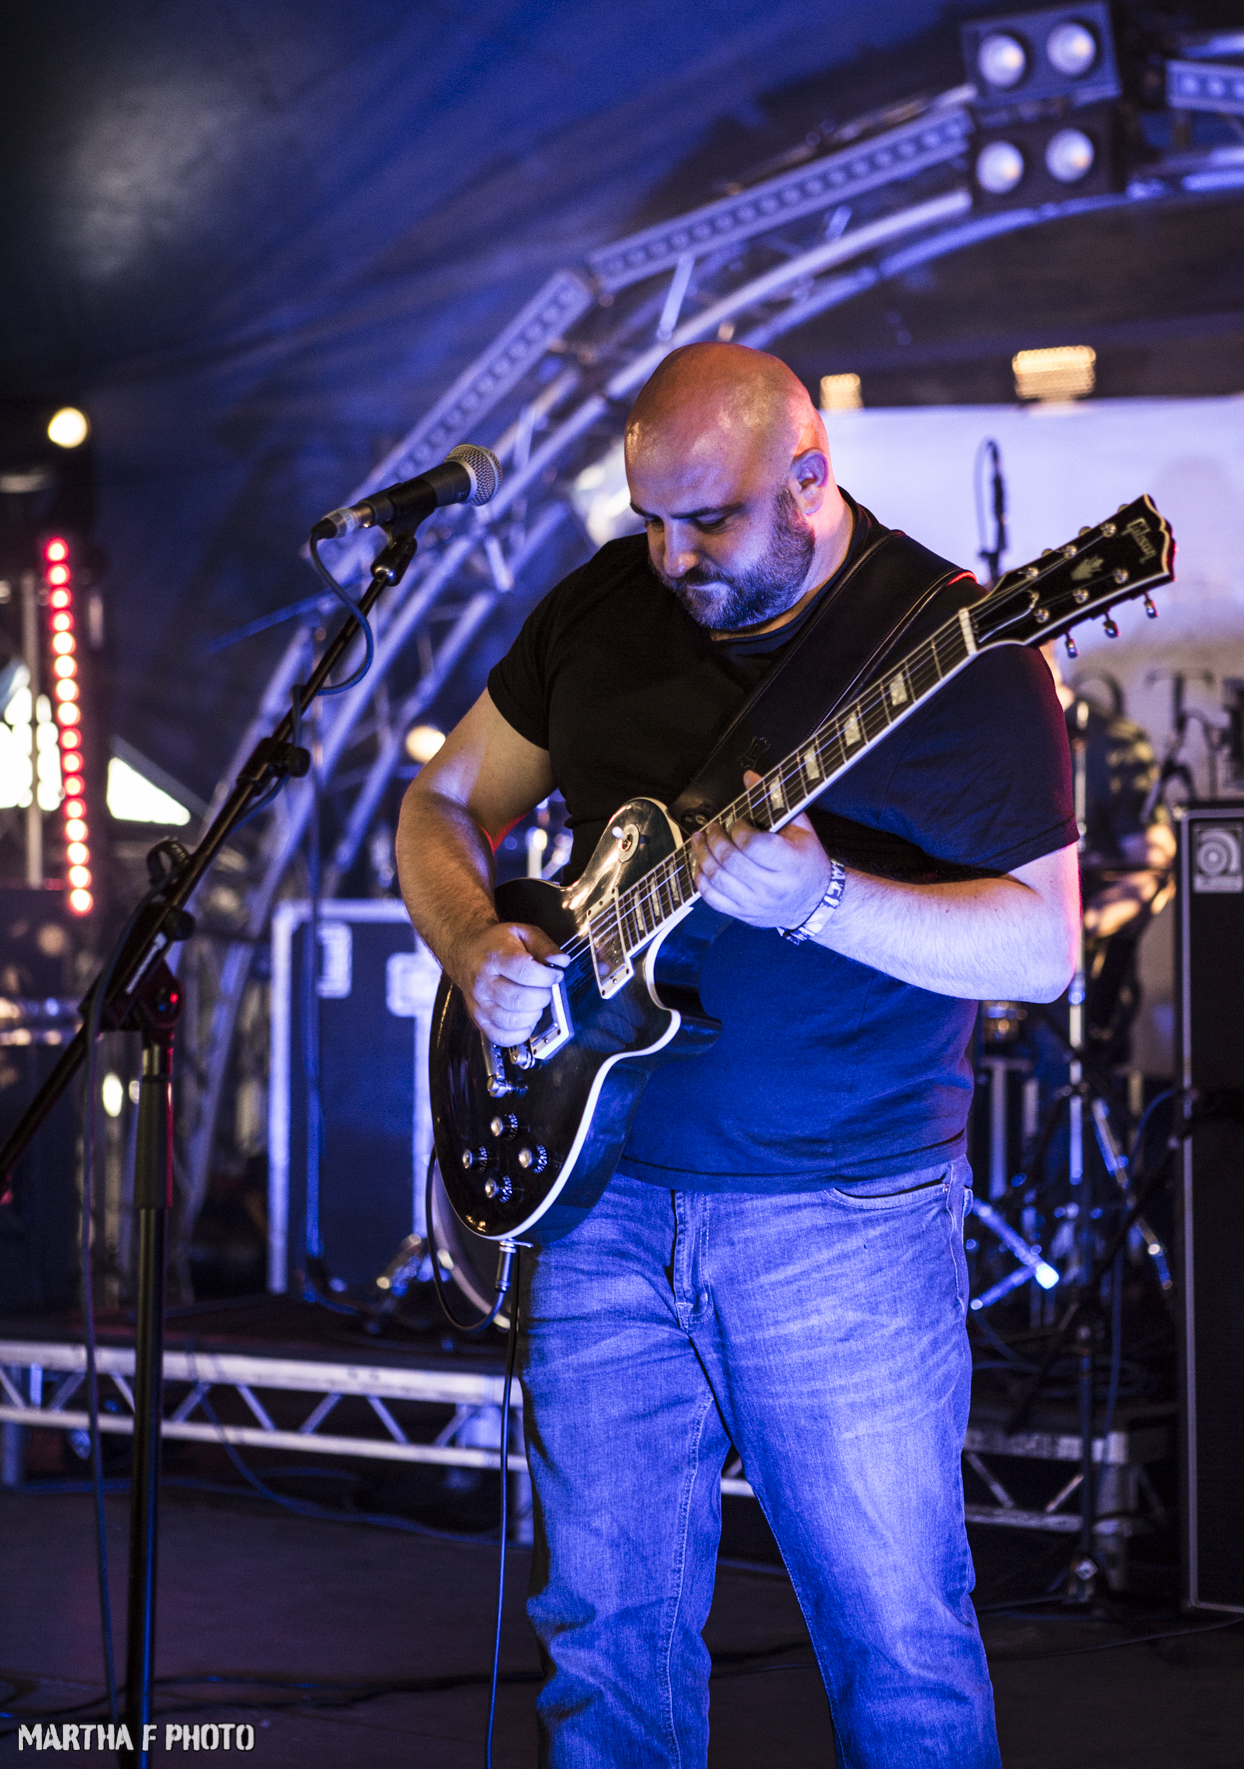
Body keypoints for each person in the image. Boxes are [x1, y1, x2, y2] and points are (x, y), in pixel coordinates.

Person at [397, 344, 1080, 1768]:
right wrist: (473, 944)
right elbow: (442, 800)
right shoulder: (605, 603)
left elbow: (1041, 947)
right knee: (604, 1650)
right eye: (651, 518)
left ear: (810, 477)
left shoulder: (960, 651)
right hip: (597, 1208)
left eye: (706, 520)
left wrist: (824, 899)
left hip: (840, 1223)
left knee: (895, 1648)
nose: (671, 556)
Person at [1040, 644, 1176, 1066]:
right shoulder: (984, 737)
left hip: (1073, 967)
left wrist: (1075, 930)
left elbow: (1155, 872)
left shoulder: (1111, 742)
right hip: (986, 953)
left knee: (1063, 1069)